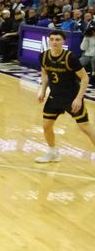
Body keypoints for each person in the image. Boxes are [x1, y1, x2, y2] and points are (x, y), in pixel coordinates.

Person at [34, 29, 94, 162]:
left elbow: (84, 78)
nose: (54, 42)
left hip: (71, 97)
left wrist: (79, 98)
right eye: (52, 39)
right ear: (49, 41)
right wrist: (42, 90)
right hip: (55, 96)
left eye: (58, 40)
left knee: (85, 127)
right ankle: (53, 152)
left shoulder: (70, 57)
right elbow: (44, 73)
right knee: (46, 126)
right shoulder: (43, 56)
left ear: (63, 42)